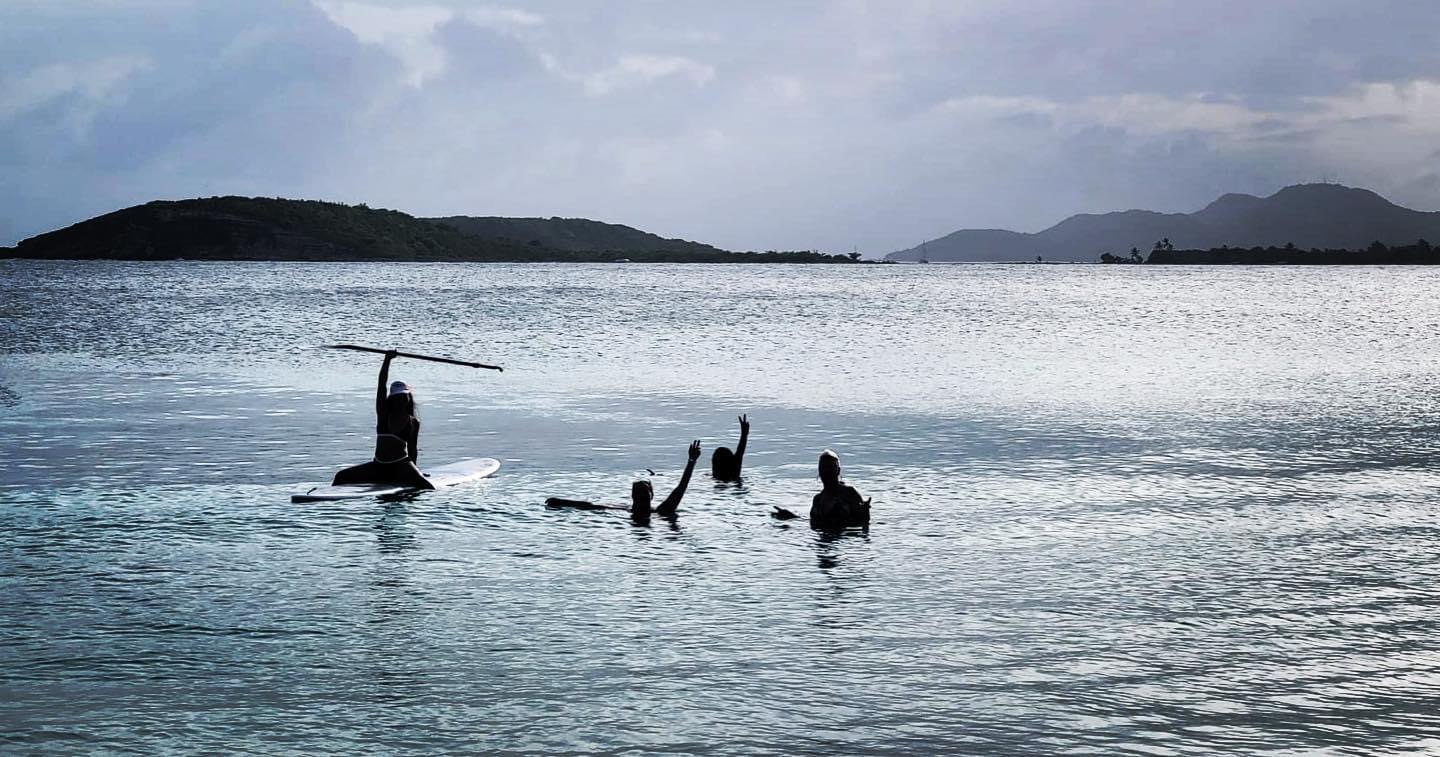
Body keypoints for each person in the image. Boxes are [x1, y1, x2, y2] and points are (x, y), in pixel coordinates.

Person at [331, 350, 435, 489]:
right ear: (392, 398)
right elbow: (381, 384)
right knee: (340, 476)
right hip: (379, 466)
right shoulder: (383, 413)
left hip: (401, 465)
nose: (401, 400)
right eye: (398, 397)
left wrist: (415, 472)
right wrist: (387, 360)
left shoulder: (413, 422)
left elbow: (412, 449)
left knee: (428, 487)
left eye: (404, 396)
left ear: (409, 398)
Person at [546, 440, 701, 519]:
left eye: (643, 494)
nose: (641, 498)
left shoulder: (658, 511)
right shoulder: (658, 511)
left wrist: (691, 461)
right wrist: (562, 501)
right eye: (640, 494)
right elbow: (589, 506)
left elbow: (681, 487)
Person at [808, 449, 869, 529]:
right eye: (823, 467)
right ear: (819, 471)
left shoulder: (849, 493)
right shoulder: (818, 499)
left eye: (830, 467)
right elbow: (813, 523)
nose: (827, 471)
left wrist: (865, 512)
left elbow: (863, 522)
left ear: (838, 470)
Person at [711, 414, 749, 481]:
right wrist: (744, 434)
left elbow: (740, 451)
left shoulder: (716, 474)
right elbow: (740, 451)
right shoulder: (735, 469)